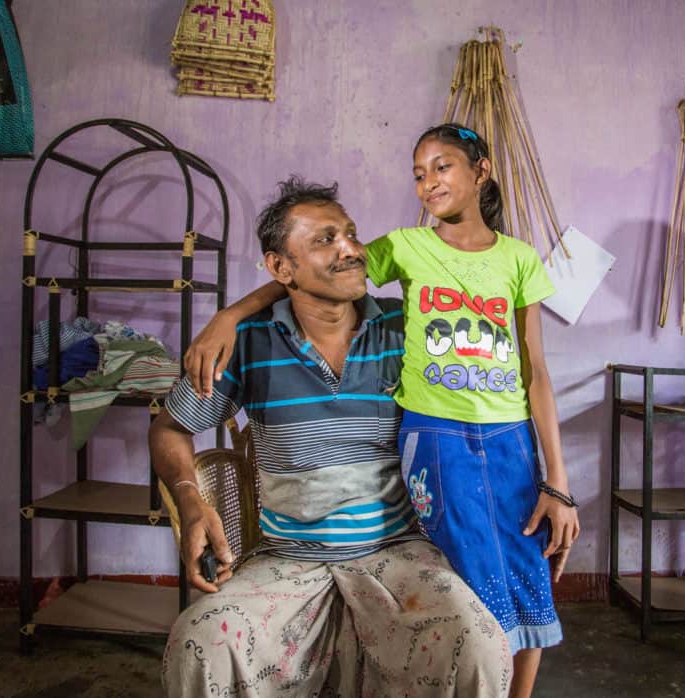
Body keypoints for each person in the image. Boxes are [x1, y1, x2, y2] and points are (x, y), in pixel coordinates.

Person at [184, 124, 580, 698]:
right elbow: (315, 275)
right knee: (467, 574)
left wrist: (559, 483)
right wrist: (230, 316)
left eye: (443, 167)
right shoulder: (397, 254)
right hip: (379, 483)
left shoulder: (472, 285)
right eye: (420, 172)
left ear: (481, 171)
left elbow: (534, 370)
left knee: (508, 588)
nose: (429, 182)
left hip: (475, 470)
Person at [149, 176, 512, 698]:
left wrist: (231, 308)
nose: (351, 250)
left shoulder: (406, 328)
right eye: (324, 239)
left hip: (399, 553)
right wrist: (188, 501)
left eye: (351, 234)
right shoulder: (248, 343)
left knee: (476, 643)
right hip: (287, 557)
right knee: (200, 641)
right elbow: (169, 427)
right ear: (280, 267)